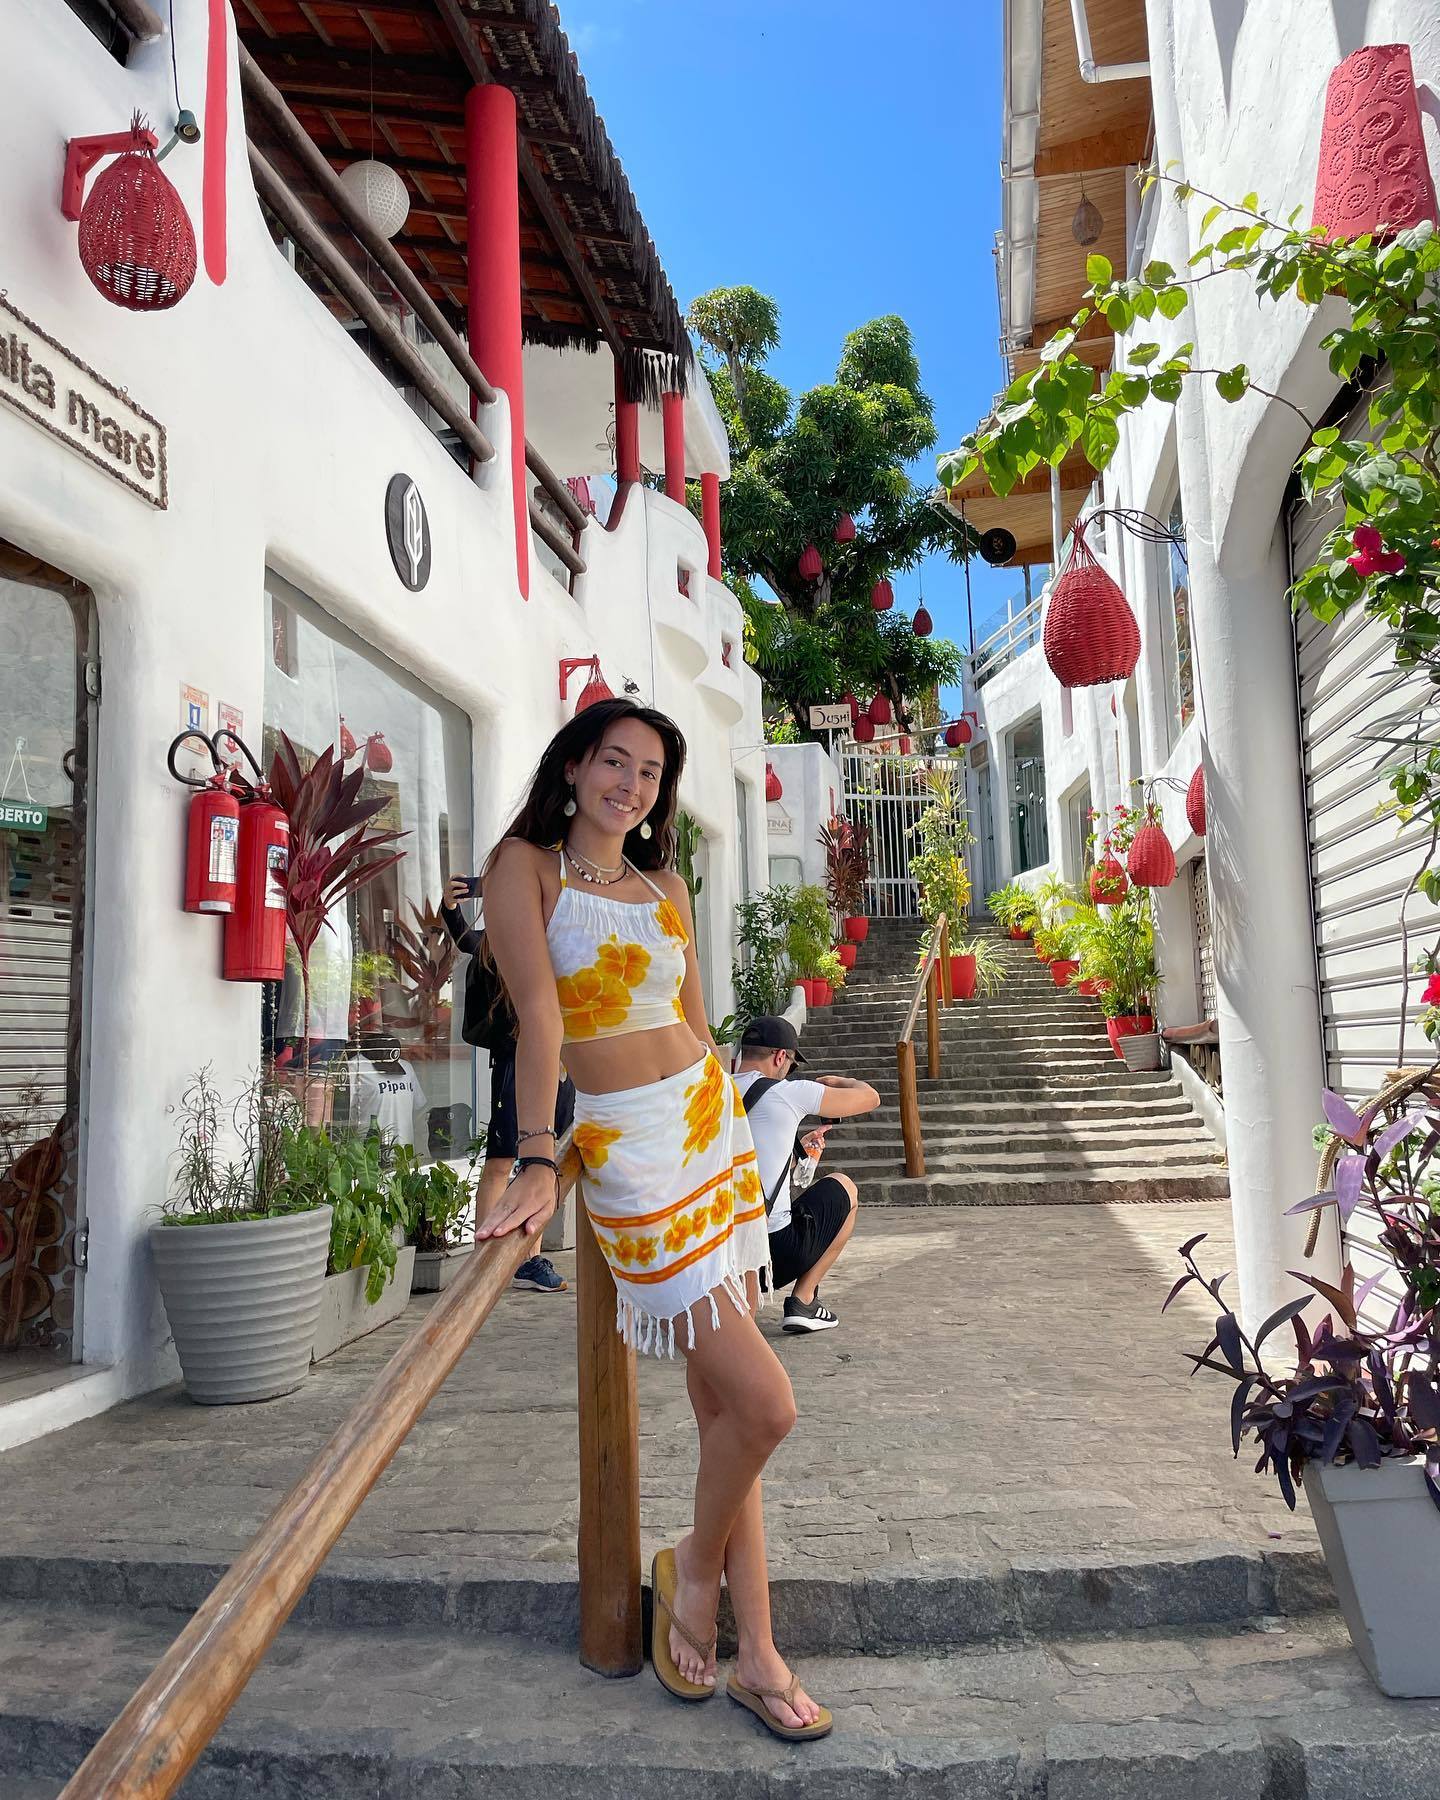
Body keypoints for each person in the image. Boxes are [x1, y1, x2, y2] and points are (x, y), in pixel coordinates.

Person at [476, 698, 831, 1742]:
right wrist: (536, 1159)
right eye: (614, 761)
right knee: (767, 1407)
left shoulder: (666, 885)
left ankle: (757, 1656)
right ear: (574, 766)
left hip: (708, 1133)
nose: (629, 785)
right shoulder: (525, 869)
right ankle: (697, 1579)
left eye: (648, 772)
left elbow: (694, 1023)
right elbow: (539, 1020)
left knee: (728, 1410)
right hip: (629, 1152)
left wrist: (748, 1119)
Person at [441, 875, 574, 1294]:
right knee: (502, 1160)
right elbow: (467, 939)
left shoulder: (561, 937)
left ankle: (529, 1259)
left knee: (545, 1160)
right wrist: (450, 907)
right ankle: (486, 1260)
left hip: (561, 1061)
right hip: (516, 1059)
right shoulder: (500, 940)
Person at [731, 1017, 879, 1334]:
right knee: (844, 1187)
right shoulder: (788, 1092)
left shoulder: (713, 1091)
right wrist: (840, 1082)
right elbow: (870, 1097)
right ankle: (804, 1301)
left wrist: (795, 1151)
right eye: (791, 1064)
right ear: (780, 1056)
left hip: (716, 1256)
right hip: (772, 1255)